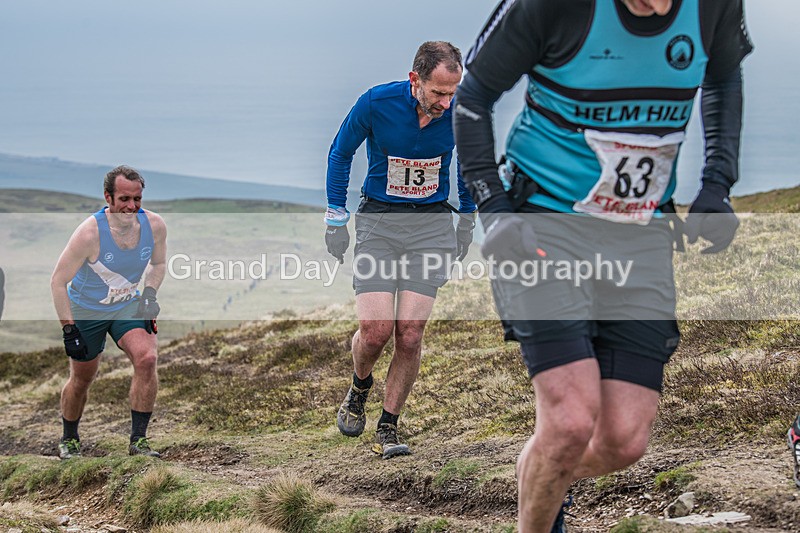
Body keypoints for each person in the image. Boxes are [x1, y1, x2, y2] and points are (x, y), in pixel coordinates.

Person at [454, 0, 752, 531]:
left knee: (622, 440)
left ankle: (549, 472)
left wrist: (717, 184)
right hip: (543, 223)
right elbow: (473, 97)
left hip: (640, 235)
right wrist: (495, 210)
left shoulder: (713, 8)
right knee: (569, 422)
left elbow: (724, 77)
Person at [325, 41, 477, 458]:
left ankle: (388, 426)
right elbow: (340, 153)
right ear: (415, 80)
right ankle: (359, 385)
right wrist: (336, 218)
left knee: (410, 333)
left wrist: (467, 217)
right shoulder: (376, 103)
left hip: (431, 226)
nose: (447, 103)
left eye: (453, 92)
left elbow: (468, 165)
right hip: (379, 221)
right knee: (377, 332)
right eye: (438, 93)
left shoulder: (463, 110)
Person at [50, 165, 167, 460]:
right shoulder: (89, 234)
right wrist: (69, 329)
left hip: (128, 303)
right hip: (86, 310)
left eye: (137, 199)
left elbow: (158, 264)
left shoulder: (154, 226)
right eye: (124, 199)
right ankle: (70, 438)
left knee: (148, 358)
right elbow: (58, 281)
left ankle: (138, 441)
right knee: (82, 378)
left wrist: (150, 295)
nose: (131, 206)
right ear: (108, 198)